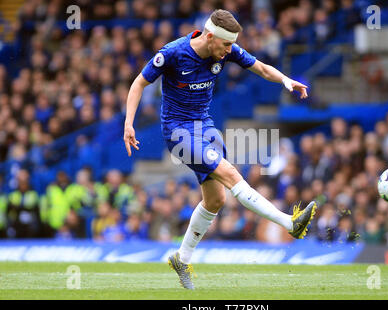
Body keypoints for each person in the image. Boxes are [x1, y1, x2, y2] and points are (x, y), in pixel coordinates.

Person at [124, 9, 317, 290]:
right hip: (178, 131)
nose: (230, 51)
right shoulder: (173, 53)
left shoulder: (226, 50)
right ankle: (290, 223)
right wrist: (129, 123)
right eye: (226, 45)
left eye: (231, 46)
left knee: (216, 201)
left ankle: (181, 258)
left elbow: (261, 68)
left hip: (206, 128)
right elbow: (138, 83)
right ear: (210, 36)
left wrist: (286, 80)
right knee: (230, 173)